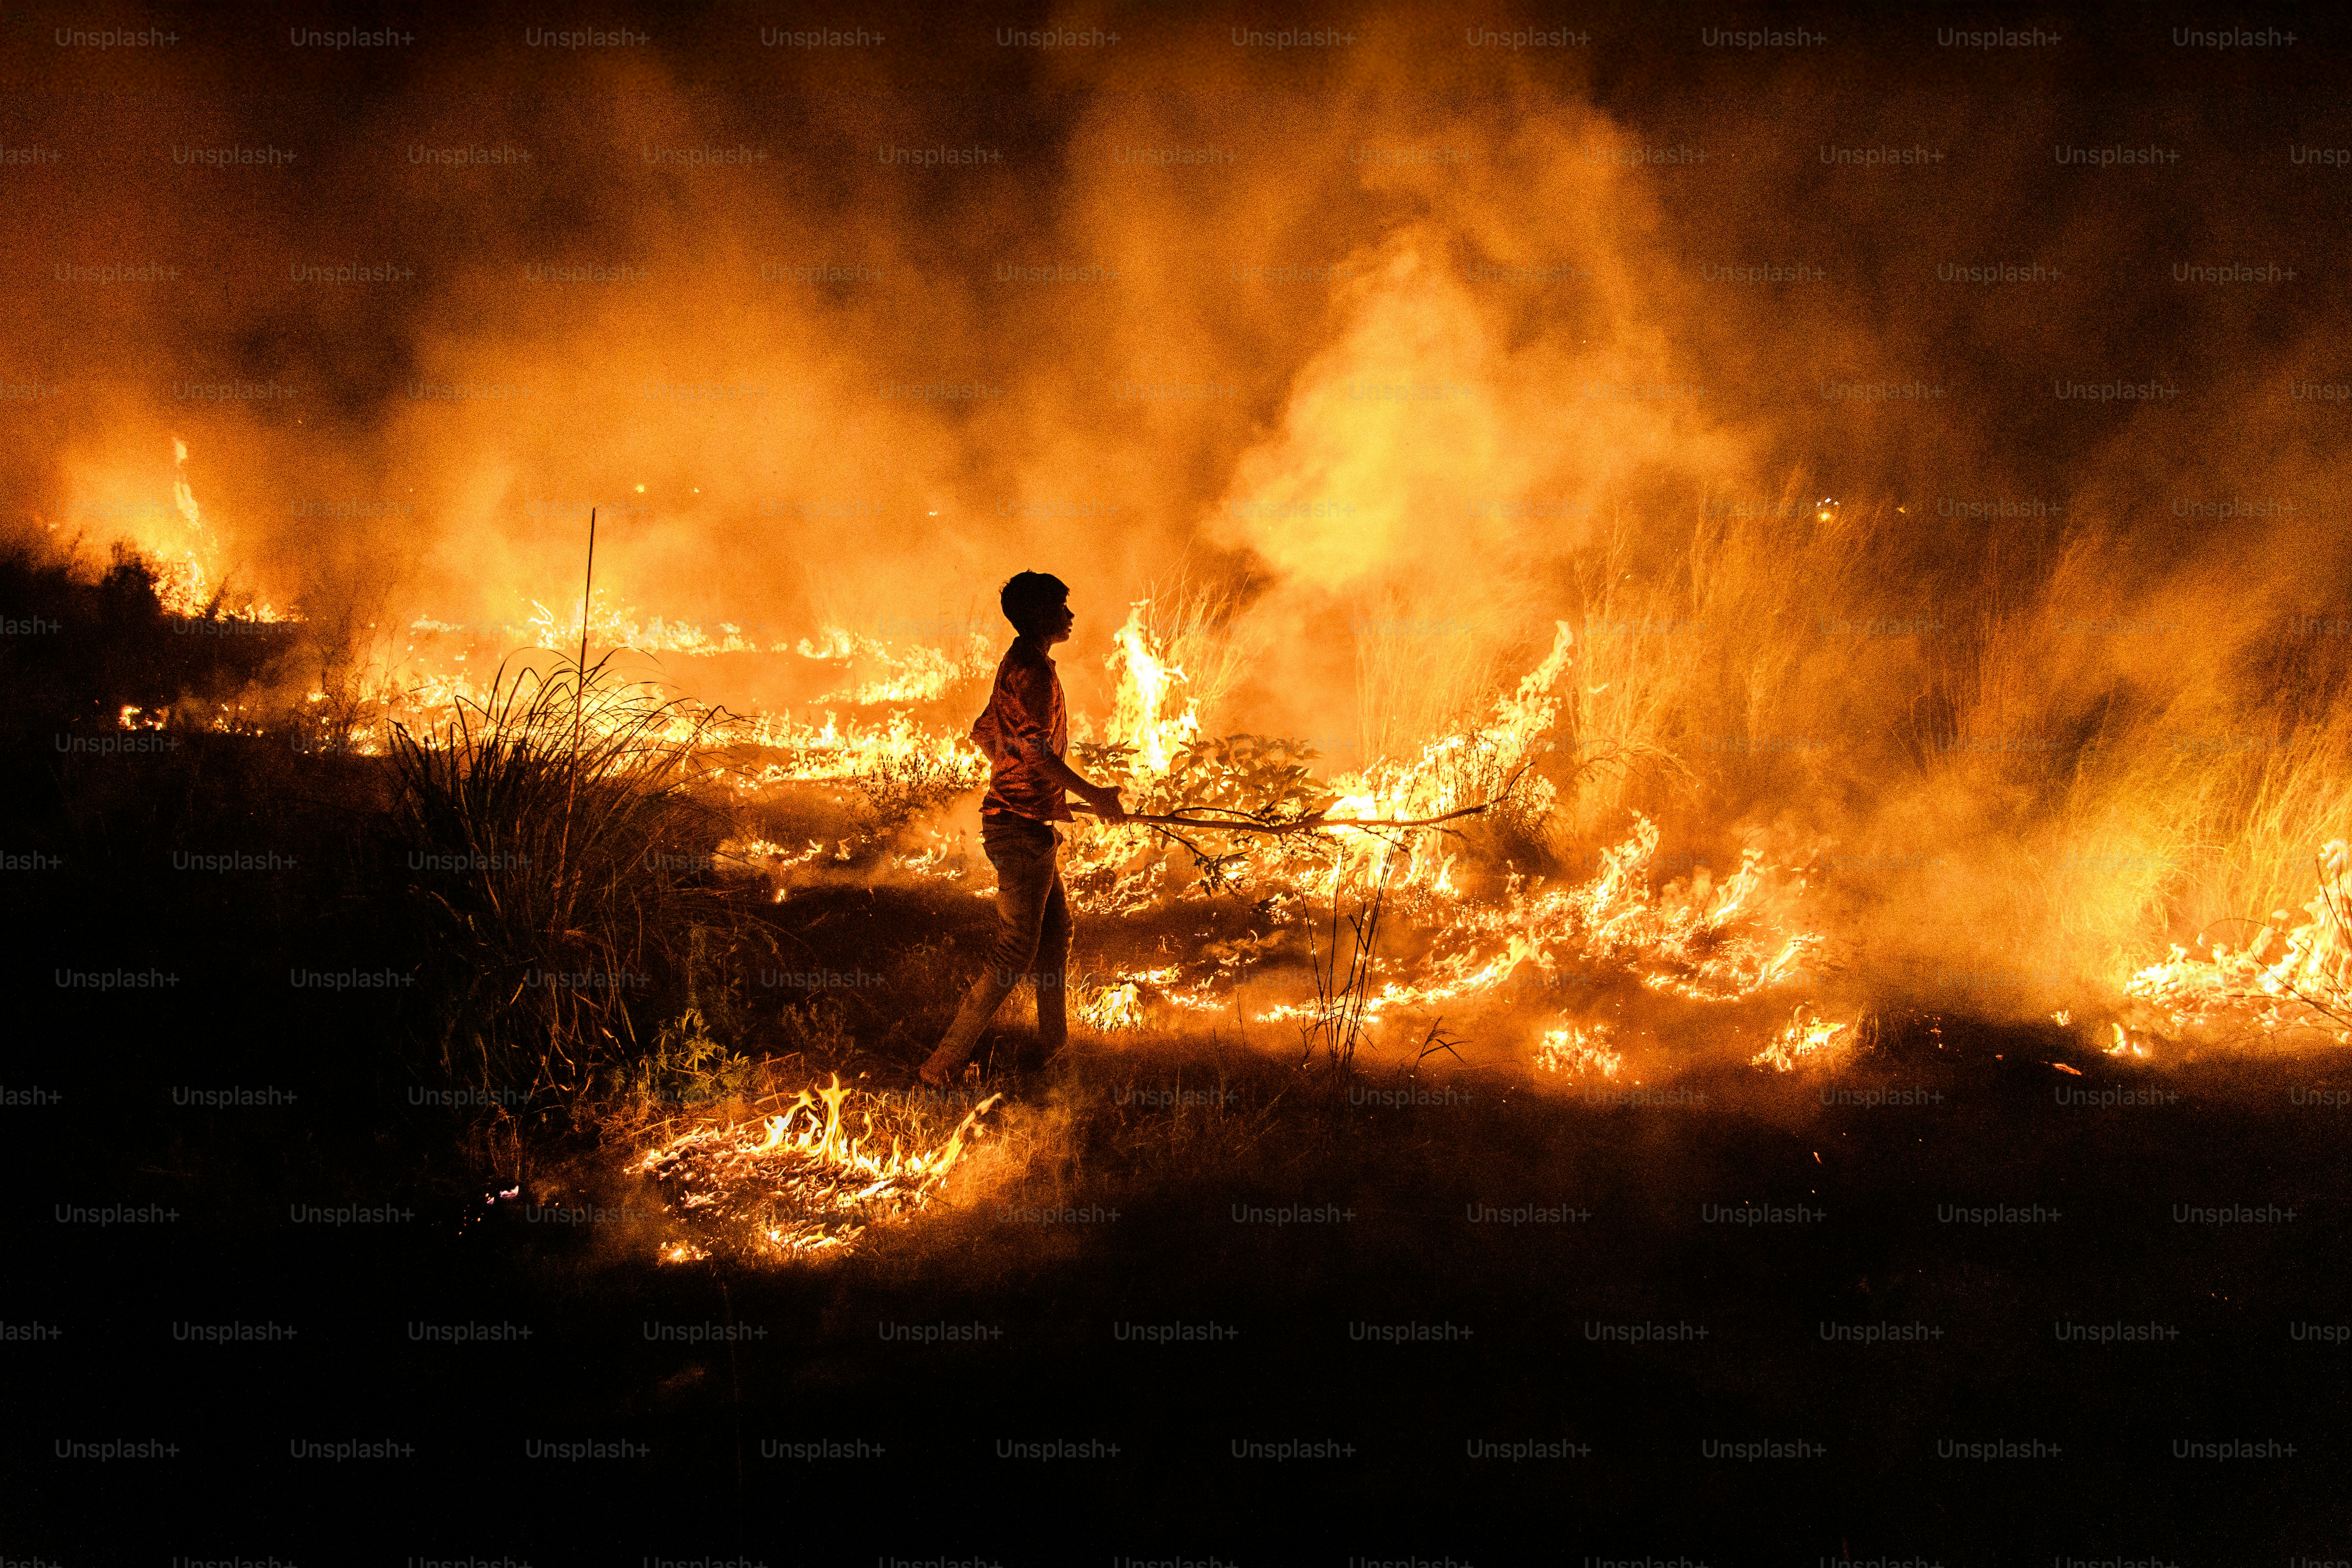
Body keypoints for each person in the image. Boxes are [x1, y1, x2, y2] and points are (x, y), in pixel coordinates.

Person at [919, 572, 1127, 1088]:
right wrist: (1094, 795)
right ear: (1039, 616)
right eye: (1061, 605)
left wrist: (1012, 774)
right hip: (1019, 831)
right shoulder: (1032, 672)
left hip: (1024, 825)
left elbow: (984, 732)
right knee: (1015, 953)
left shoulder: (1020, 661)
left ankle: (1055, 1057)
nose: (1070, 614)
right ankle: (939, 1067)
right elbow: (1036, 752)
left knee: (1055, 939)